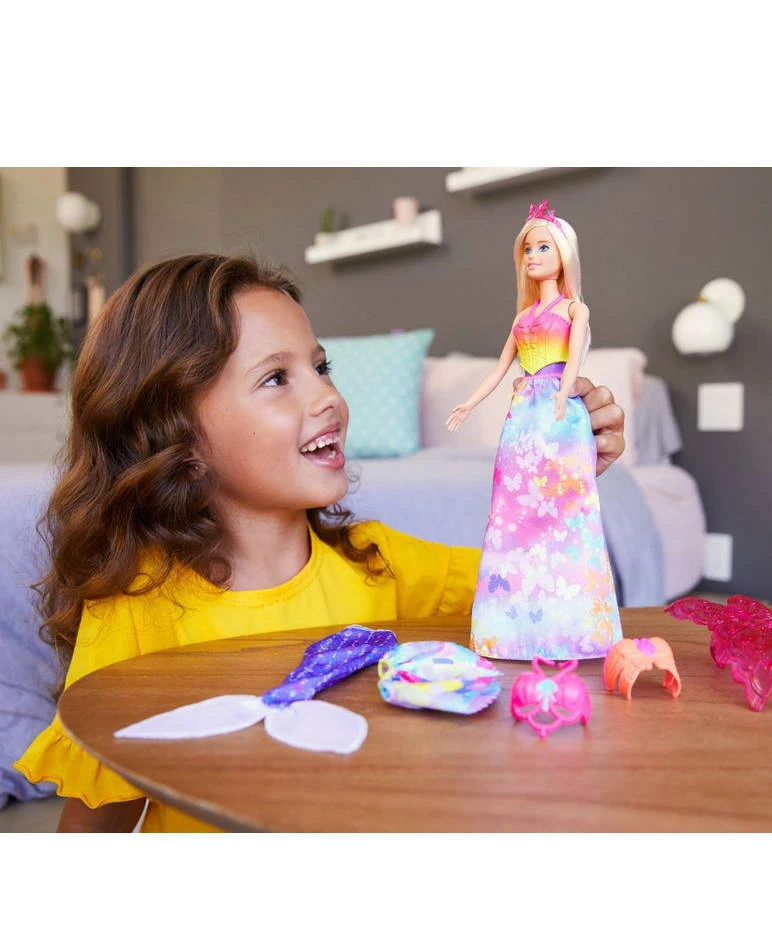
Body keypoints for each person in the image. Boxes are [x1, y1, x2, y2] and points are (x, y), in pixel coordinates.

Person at [14, 252, 626, 833]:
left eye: (321, 367)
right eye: (276, 377)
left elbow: (539, 601)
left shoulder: (381, 563)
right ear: (176, 436)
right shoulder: (135, 605)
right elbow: (99, 818)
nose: (327, 396)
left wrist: (555, 482)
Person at [446, 202, 623, 660]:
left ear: (564, 254)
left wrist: (564, 397)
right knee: (512, 516)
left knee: (569, 513)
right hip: (522, 416)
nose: (533, 256)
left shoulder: (575, 309)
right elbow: (499, 369)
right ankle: (509, 631)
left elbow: (574, 360)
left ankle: (578, 629)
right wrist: (469, 402)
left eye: (543, 247)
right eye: (527, 249)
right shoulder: (522, 317)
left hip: (559, 415)